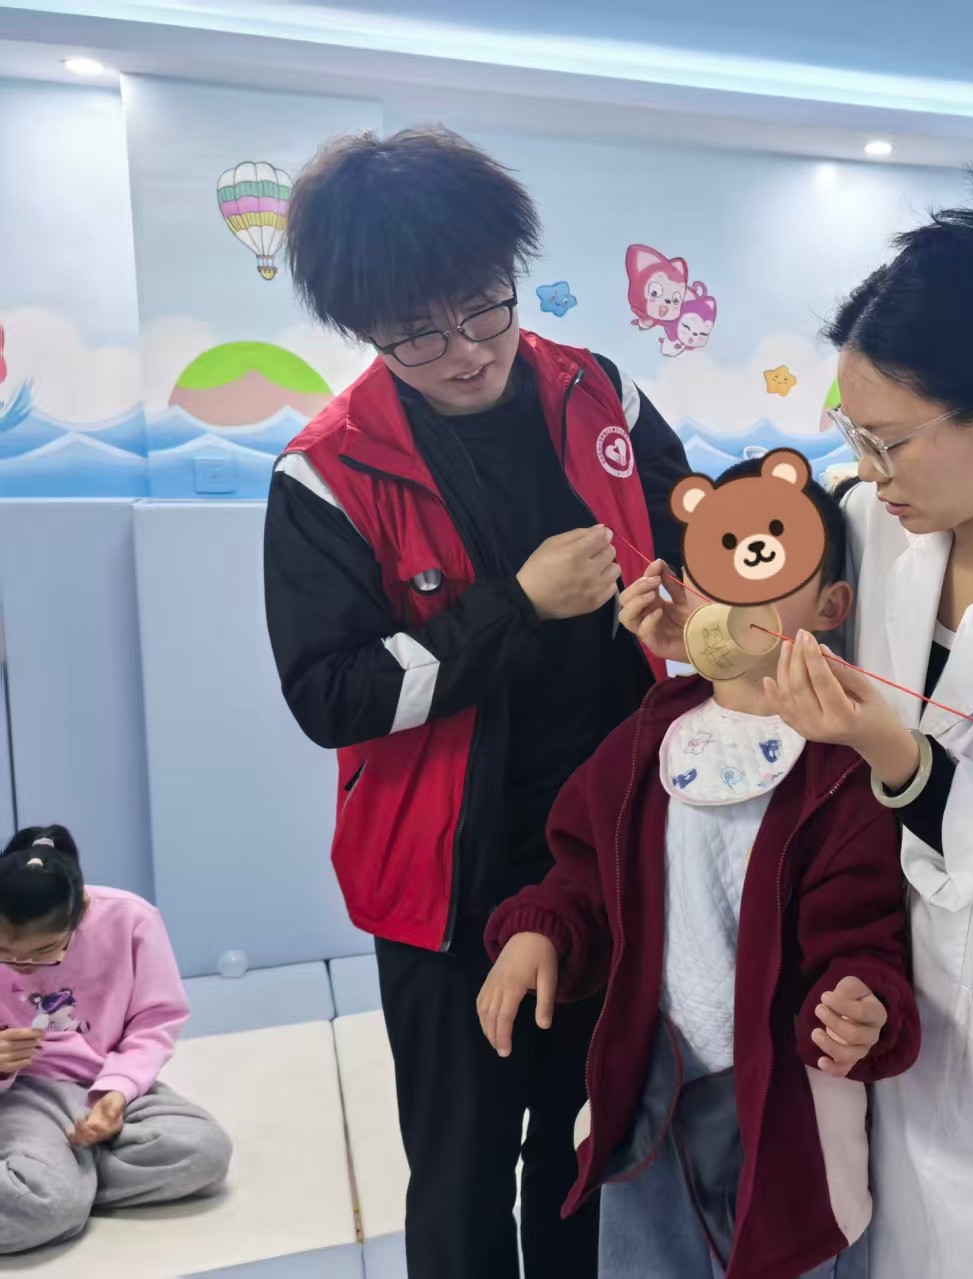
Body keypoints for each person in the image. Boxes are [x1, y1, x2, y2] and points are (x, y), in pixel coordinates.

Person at [620, 173, 973, 1278]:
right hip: (868, 1008)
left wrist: (890, 748)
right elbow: (779, 632)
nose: (866, 470)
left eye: (888, 440)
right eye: (853, 433)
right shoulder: (870, 521)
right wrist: (703, 637)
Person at [263, 126, 691, 1279]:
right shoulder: (326, 472)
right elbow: (330, 694)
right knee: (459, 1176)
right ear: (362, 326)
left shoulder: (600, 391)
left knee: (586, 1154)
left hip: (609, 856)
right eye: (417, 331)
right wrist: (516, 606)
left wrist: (689, 606)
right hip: (446, 893)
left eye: (483, 305)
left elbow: (694, 539)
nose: (463, 350)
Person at [478, 460, 920, 1279]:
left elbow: (862, 931)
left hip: (781, 1115)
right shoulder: (649, 740)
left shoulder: (840, 771)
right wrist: (540, 931)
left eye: (775, 560)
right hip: (648, 1096)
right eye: (721, 558)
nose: (744, 583)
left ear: (832, 608)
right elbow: (585, 871)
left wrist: (862, 1000)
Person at [0, 825, 231, 1254]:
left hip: (106, 1081)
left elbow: (155, 1021)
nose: (22, 965)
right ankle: (53, 1190)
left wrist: (118, 1092)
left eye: (44, 951)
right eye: (5, 953)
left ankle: (59, 1185)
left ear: (80, 914)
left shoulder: (132, 919)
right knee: (47, 1204)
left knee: (205, 1152)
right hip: (23, 1092)